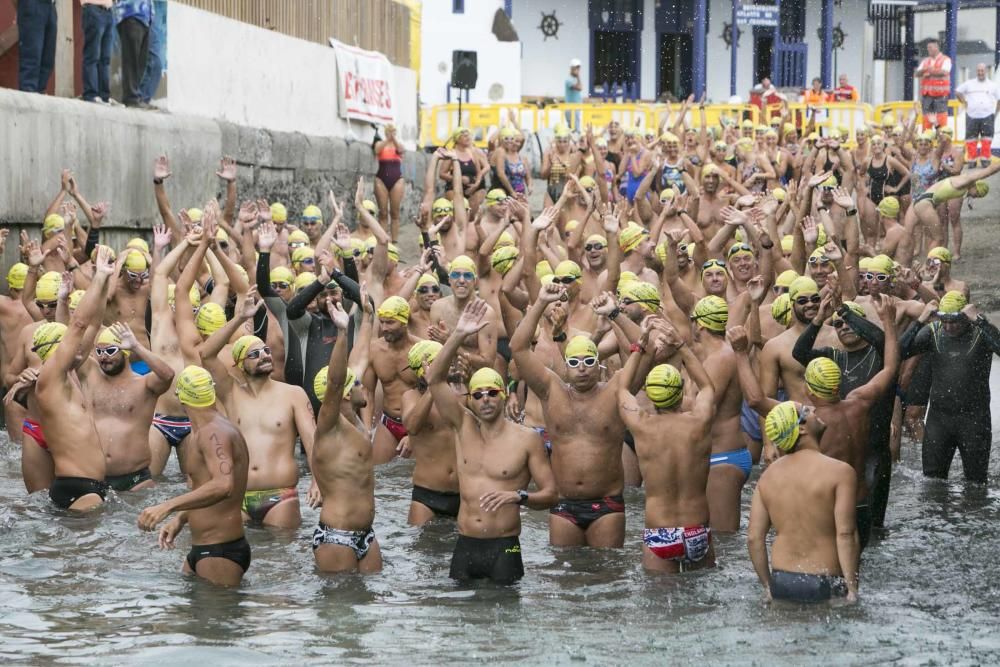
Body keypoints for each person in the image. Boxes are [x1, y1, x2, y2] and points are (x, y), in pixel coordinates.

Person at [428, 299, 557, 585]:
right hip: (465, 544)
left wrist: (518, 497)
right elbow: (434, 379)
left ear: (502, 395)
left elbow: (551, 494)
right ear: (470, 401)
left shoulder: (527, 439)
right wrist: (458, 335)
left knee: (507, 622)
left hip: (506, 546)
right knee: (462, 622)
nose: (485, 399)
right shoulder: (462, 426)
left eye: (491, 392)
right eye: (478, 394)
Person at [511, 282, 628, 548]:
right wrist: (540, 302)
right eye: (574, 362)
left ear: (599, 366)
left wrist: (615, 314)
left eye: (589, 361)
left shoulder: (614, 391)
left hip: (607, 505)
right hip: (563, 505)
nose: (582, 368)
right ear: (566, 366)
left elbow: (643, 352)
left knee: (608, 580)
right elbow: (518, 348)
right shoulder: (551, 390)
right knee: (565, 579)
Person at [617, 324, 718, 573]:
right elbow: (706, 387)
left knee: (661, 609)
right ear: (682, 390)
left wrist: (639, 347)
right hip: (697, 530)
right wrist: (681, 345)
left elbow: (622, 389)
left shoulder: (641, 426)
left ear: (650, 396)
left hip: (660, 533)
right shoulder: (699, 422)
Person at [139, 365, 251, 587]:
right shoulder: (206, 430)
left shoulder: (213, 433)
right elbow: (206, 487)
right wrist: (181, 518)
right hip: (206, 549)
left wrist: (168, 506)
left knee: (210, 620)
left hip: (220, 551)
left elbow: (223, 485)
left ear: (181, 397)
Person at [747, 401, 860, 603]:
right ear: (800, 428)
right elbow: (846, 533)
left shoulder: (767, 478)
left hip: (781, 580)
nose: (814, 409)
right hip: (825, 581)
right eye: (806, 411)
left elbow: (754, 538)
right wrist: (852, 589)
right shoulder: (841, 472)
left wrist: (767, 586)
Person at [35, 246, 114, 510]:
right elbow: (78, 324)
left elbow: (93, 323)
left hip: (87, 485)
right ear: (57, 348)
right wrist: (99, 276)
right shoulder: (49, 378)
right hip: (77, 487)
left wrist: (101, 288)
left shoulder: (69, 374)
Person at [310, 301, 382, 574]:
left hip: (367, 534)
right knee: (339, 610)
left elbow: (361, 357)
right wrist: (342, 333)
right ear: (345, 393)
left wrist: (367, 318)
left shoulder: (355, 423)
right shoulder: (330, 427)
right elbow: (336, 381)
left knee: (369, 610)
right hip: (337, 535)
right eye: (358, 383)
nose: (363, 384)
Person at [900, 292, 1000, 483]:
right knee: (932, 482)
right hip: (939, 421)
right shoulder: (933, 331)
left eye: (953, 321)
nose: (948, 326)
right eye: (943, 320)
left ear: (965, 316)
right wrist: (920, 320)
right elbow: (900, 351)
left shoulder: (980, 332)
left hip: (974, 420)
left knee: (976, 483)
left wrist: (979, 320)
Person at [84, 323, 173, 492]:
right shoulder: (92, 377)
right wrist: (62, 303)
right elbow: (69, 349)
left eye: (110, 351)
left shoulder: (144, 384)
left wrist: (136, 347)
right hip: (95, 477)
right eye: (99, 351)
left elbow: (167, 375)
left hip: (135, 480)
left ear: (125, 352)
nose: (104, 357)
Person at [401, 340, 461, 525]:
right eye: (444, 361)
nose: (449, 364)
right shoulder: (411, 397)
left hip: (464, 493)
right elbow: (411, 426)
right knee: (423, 552)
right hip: (427, 495)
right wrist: (432, 387)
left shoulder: (460, 392)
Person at [955, 63, 1000, 168]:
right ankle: (972, 160)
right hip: (972, 116)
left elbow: (999, 99)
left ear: (986, 71)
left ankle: (985, 160)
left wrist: (995, 113)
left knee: (987, 139)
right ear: (976, 71)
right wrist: (964, 102)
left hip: (987, 115)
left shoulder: (992, 85)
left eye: (982, 71)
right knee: (971, 139)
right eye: (979, 70)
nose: (980, 73)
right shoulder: (969, 83)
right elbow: (957, 92)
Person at [114, 0, 153, 108]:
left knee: (141, 62)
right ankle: (131, 98)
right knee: (131, 59)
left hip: (145, 18)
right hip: (130, 14)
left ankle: (136, 96)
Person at [16, 0, 58, 93]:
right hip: (33, 4)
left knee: (48, 59)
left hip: (51, 6)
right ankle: (28, 92)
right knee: (32, 54)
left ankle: (39, 91)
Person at [374, 123, 405, 242]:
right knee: (382, 212)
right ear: (385, 132)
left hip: (397, 179)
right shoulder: (380, 143)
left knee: (395, 212)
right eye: (388, 131)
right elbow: (377, 150)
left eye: (393, 131)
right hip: (381, 178)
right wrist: (387, 139)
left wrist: (394, 139)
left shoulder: (398, 145)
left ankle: (395, 242)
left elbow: (401, 150)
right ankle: (383, 240)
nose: (391, 133)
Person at [81, 0, 115, 104]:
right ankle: (91, 94)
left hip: (108, 12)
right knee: (92, 55)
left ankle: (104, 96)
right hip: (93, 8)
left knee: (105, 59)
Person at [916, 39, 952, 130]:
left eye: (930, 47)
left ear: (936, 47)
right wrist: (926, 70)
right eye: (928, 48)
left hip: (940, 96)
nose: (928, 49)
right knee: (926, 120)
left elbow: (944, 72)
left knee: (941, 121)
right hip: (927, 96)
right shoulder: (926, 61)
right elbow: (917, 73)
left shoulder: (945, 60)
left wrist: (929, 71)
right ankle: (927, 140)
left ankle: (941, 139)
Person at [137, 0, 167, 104]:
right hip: (141, 16)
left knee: (152, 64)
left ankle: (142, 98)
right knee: (154, 63)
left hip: (148, 16)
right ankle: (141, 98)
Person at [565, 58, 583, 129]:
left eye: (578, 68)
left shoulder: (575, 79)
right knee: (574, 129)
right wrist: (578, 76)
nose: (578, 70)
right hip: (571, 108)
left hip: (576, 108)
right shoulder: (568, 79)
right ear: (572, 68)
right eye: (576, 68)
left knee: (575, 129)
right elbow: (580, 88)